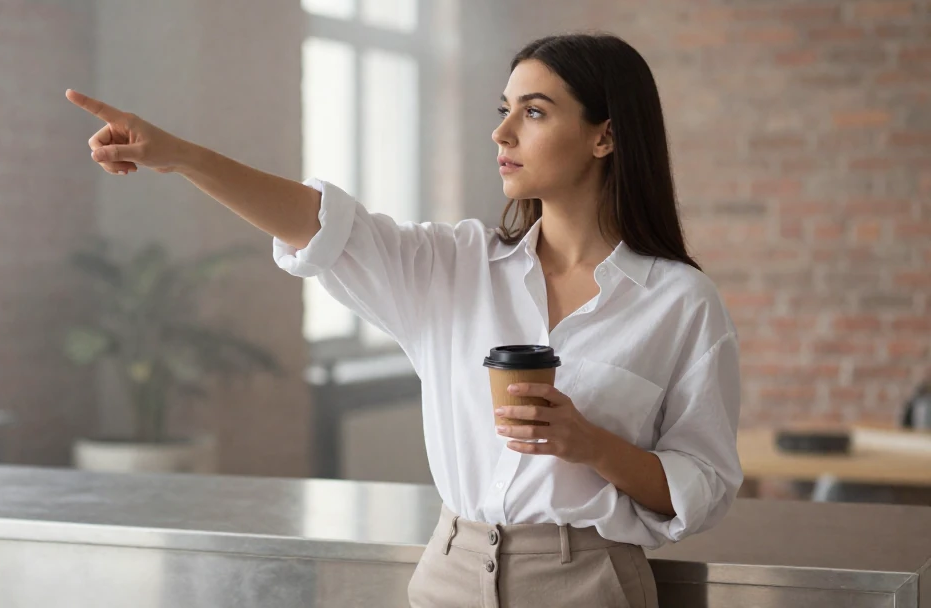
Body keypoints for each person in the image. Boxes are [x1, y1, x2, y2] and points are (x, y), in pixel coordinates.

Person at [66, 32, 742, 608]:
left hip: (587, 581)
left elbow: (703, 482)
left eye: (533, 112)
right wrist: (181, 156)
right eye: (504, 110)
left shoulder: (679, 303)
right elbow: (324, 227)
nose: (501, 133)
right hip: (449, 570)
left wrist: (591, 445)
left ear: (605, 135)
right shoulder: (454, 267)